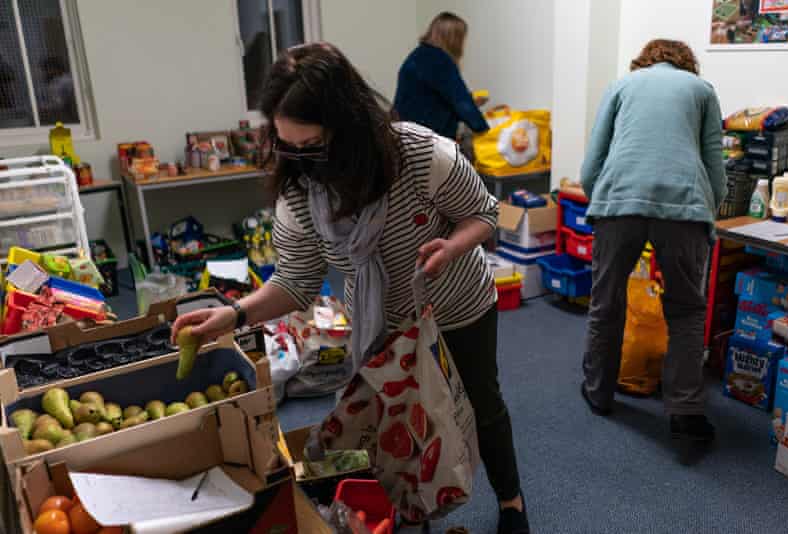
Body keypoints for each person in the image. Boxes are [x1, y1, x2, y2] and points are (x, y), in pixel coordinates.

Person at [172, 43, 530, 534]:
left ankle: (511, 502)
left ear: (351, 127)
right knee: (401, 419)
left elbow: (485, 213)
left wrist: (451, 244)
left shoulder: (421, 154)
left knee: (480, 405)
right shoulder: (298, 192)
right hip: (384, 319)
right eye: (286, 145)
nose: (300, 160)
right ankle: (415, 509)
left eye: (312, 146)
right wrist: (234, 316)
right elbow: (295, 283)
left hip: (456, 305)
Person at [578, 39, 727, 443]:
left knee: (606, 302)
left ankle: (598, 393)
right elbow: (715, 163)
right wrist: (707, 210)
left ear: (644, 61)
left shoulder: (622, 85)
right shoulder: (702, 91)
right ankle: (685, 412)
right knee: (685, 310)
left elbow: (594, 159)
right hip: (684, 205)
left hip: (618, 202)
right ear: (686, 64)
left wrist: (601, 198)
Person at [393, 12, 489, 140]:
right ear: (453, 39)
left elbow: (435, 98)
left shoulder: (419, 55)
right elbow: (460, 101)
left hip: (404, 134)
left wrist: (471, 101)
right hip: (425, 139)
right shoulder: (438, 59)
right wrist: (486, 132)